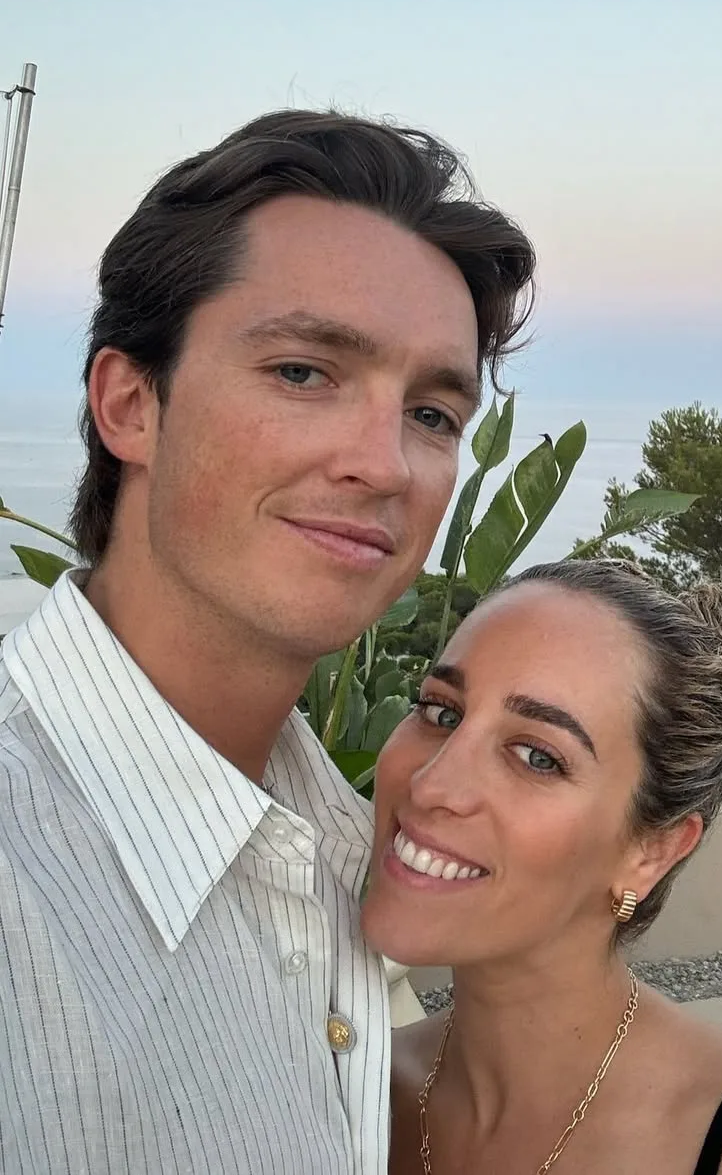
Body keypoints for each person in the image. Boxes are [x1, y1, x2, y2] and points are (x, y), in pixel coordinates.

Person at [0, 109, 535, 1175]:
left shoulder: (339, 843)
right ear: (130, 403)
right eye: (302, 372)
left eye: (433, 414)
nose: (385, 464)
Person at [360, 559, 722, 1175]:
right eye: (442, 713)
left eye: (537, 756)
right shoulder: (348, 1089)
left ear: (653, 851)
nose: (432, 785)